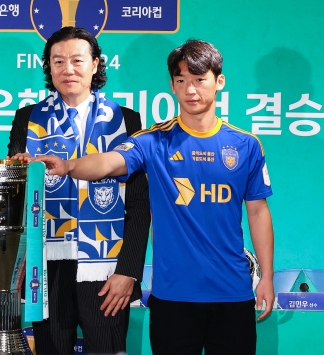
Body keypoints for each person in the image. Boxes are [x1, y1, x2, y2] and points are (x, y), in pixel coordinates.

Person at [35, 39, 275, 355]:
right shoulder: (152, 141)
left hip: (232, 294)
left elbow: (258, 212)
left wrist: (267, 278)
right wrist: (68, 166)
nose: (190, 90)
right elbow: (108, 162)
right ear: (172, 86)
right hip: (172, 298)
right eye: (181, 80)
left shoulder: (246, 145)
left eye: (200, 79)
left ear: (219, 81)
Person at [8, 26, 151, 355]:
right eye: (57, 61)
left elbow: (141, 206)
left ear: (96, 64)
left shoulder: (125, 120)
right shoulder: (27, 119)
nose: (67, 69)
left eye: (76, 60)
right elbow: (17, 200)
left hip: (106, 265)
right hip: (44, 266)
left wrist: (129, 271)